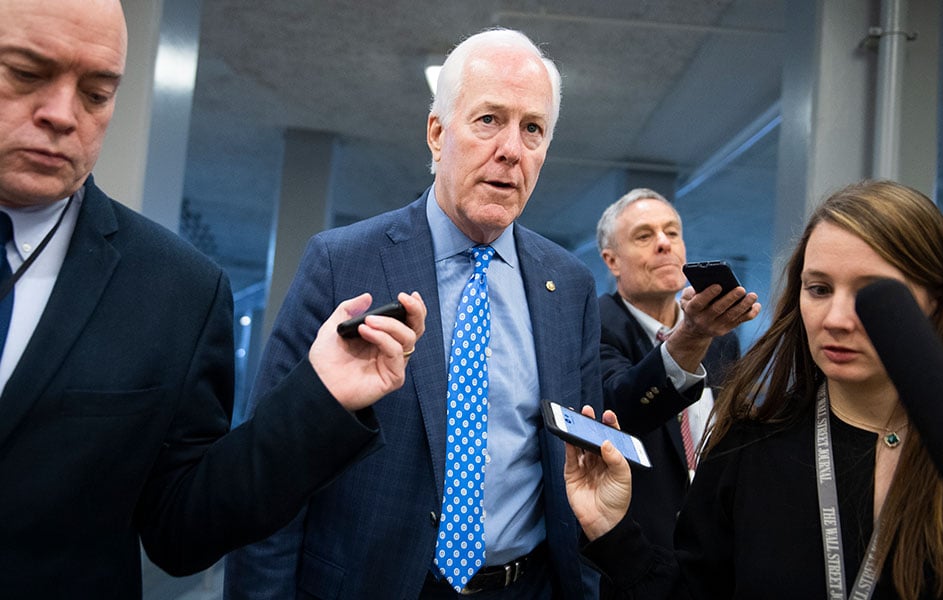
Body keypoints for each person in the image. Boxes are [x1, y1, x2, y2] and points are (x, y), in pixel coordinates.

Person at [0, 1, 425, 597]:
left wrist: (320, 398)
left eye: (96, 94)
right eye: (25, 74)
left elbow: (183, 531)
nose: (61, 114)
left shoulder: (175, 290)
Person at [223, 28, 603, 599]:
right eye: (488, 120)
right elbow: (273, 465)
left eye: (533, 129)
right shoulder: (342, 264)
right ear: (436, 133)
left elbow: (583, 462)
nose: (511, 149)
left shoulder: (568, 286)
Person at [565, 180, 943, 599]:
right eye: (818, 289)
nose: (836, 319)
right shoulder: (748, 445)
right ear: (610, 260)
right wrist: (613, 533)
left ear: (935, 299)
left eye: (871, 293)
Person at [594, 188, 758, 551]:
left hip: (713, 537)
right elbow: (621, 412)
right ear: (612, 261)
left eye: (672, 232)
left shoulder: (719, 336)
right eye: (644, 235)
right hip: (638, 545)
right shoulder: (595, 325)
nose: (664, 244)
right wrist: (690, 336)